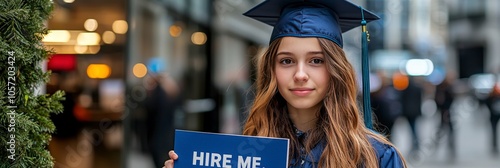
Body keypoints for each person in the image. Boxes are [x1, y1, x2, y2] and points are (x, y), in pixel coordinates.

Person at [165, 0, 406, 167]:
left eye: (316, 60)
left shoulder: (375, 158)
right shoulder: (245, 153)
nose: (300, 74)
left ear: (336, 70)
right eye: (287, 61)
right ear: (272, 71)